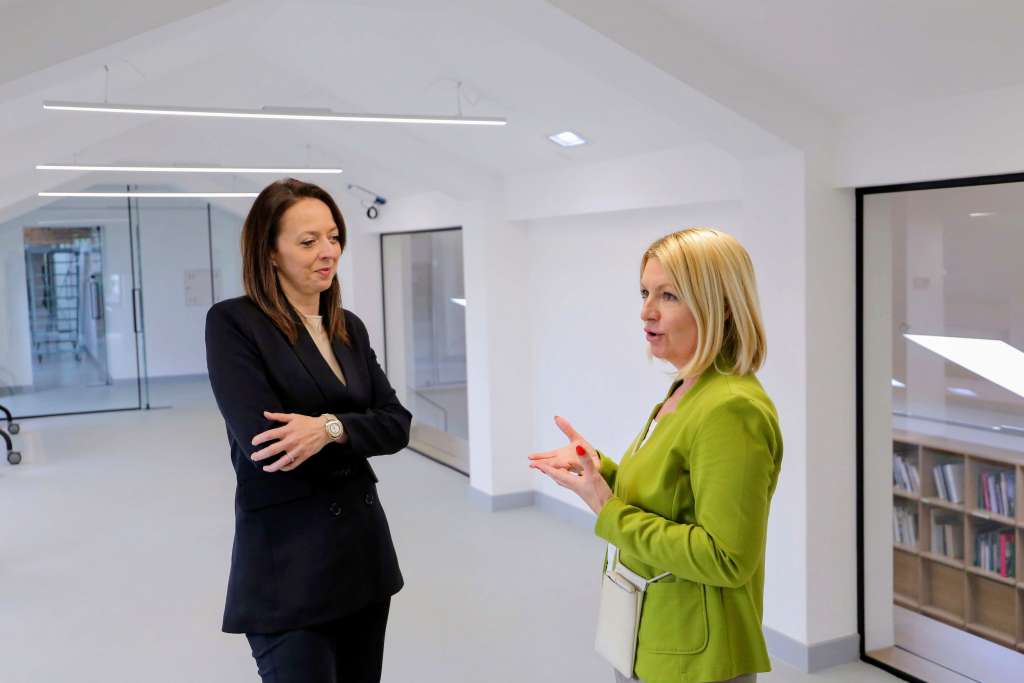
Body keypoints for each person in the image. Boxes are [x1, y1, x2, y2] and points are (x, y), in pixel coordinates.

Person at [529, 228, 782, 683]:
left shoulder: (731, 408)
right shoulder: (689, 387)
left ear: (721, 305)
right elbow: (673, 495)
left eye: (669, 295)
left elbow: (726, 558)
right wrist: (599, 468)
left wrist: (607, 508)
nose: (647, 311)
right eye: (645, 293)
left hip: (695, 658)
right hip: (653, 632)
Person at [205, 178, 411, 683]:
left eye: (334, 237)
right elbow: (268, 448)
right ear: (270, 252)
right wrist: (357, 431)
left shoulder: (348, 327)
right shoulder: (235, 324)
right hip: (289, 568)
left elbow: (398, 424)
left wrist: (328, 428)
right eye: (308, 240)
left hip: (362, 556)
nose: (328, 251)